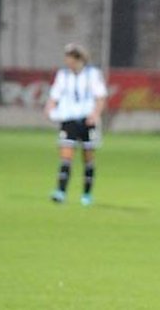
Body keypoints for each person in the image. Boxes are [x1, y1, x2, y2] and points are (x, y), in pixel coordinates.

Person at [44, 43, 108, 206]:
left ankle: (86, 195)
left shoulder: (92, 74)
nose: (68, 62)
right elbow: (54, 96)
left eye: (70, 59)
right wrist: (49, 108)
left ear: (79, 59)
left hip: (87, 121)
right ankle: (60, 192)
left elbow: (100, 97)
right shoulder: (63, 75)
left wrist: (95, 115)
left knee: (88, 159)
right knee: (66, 156)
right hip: (68, 120)